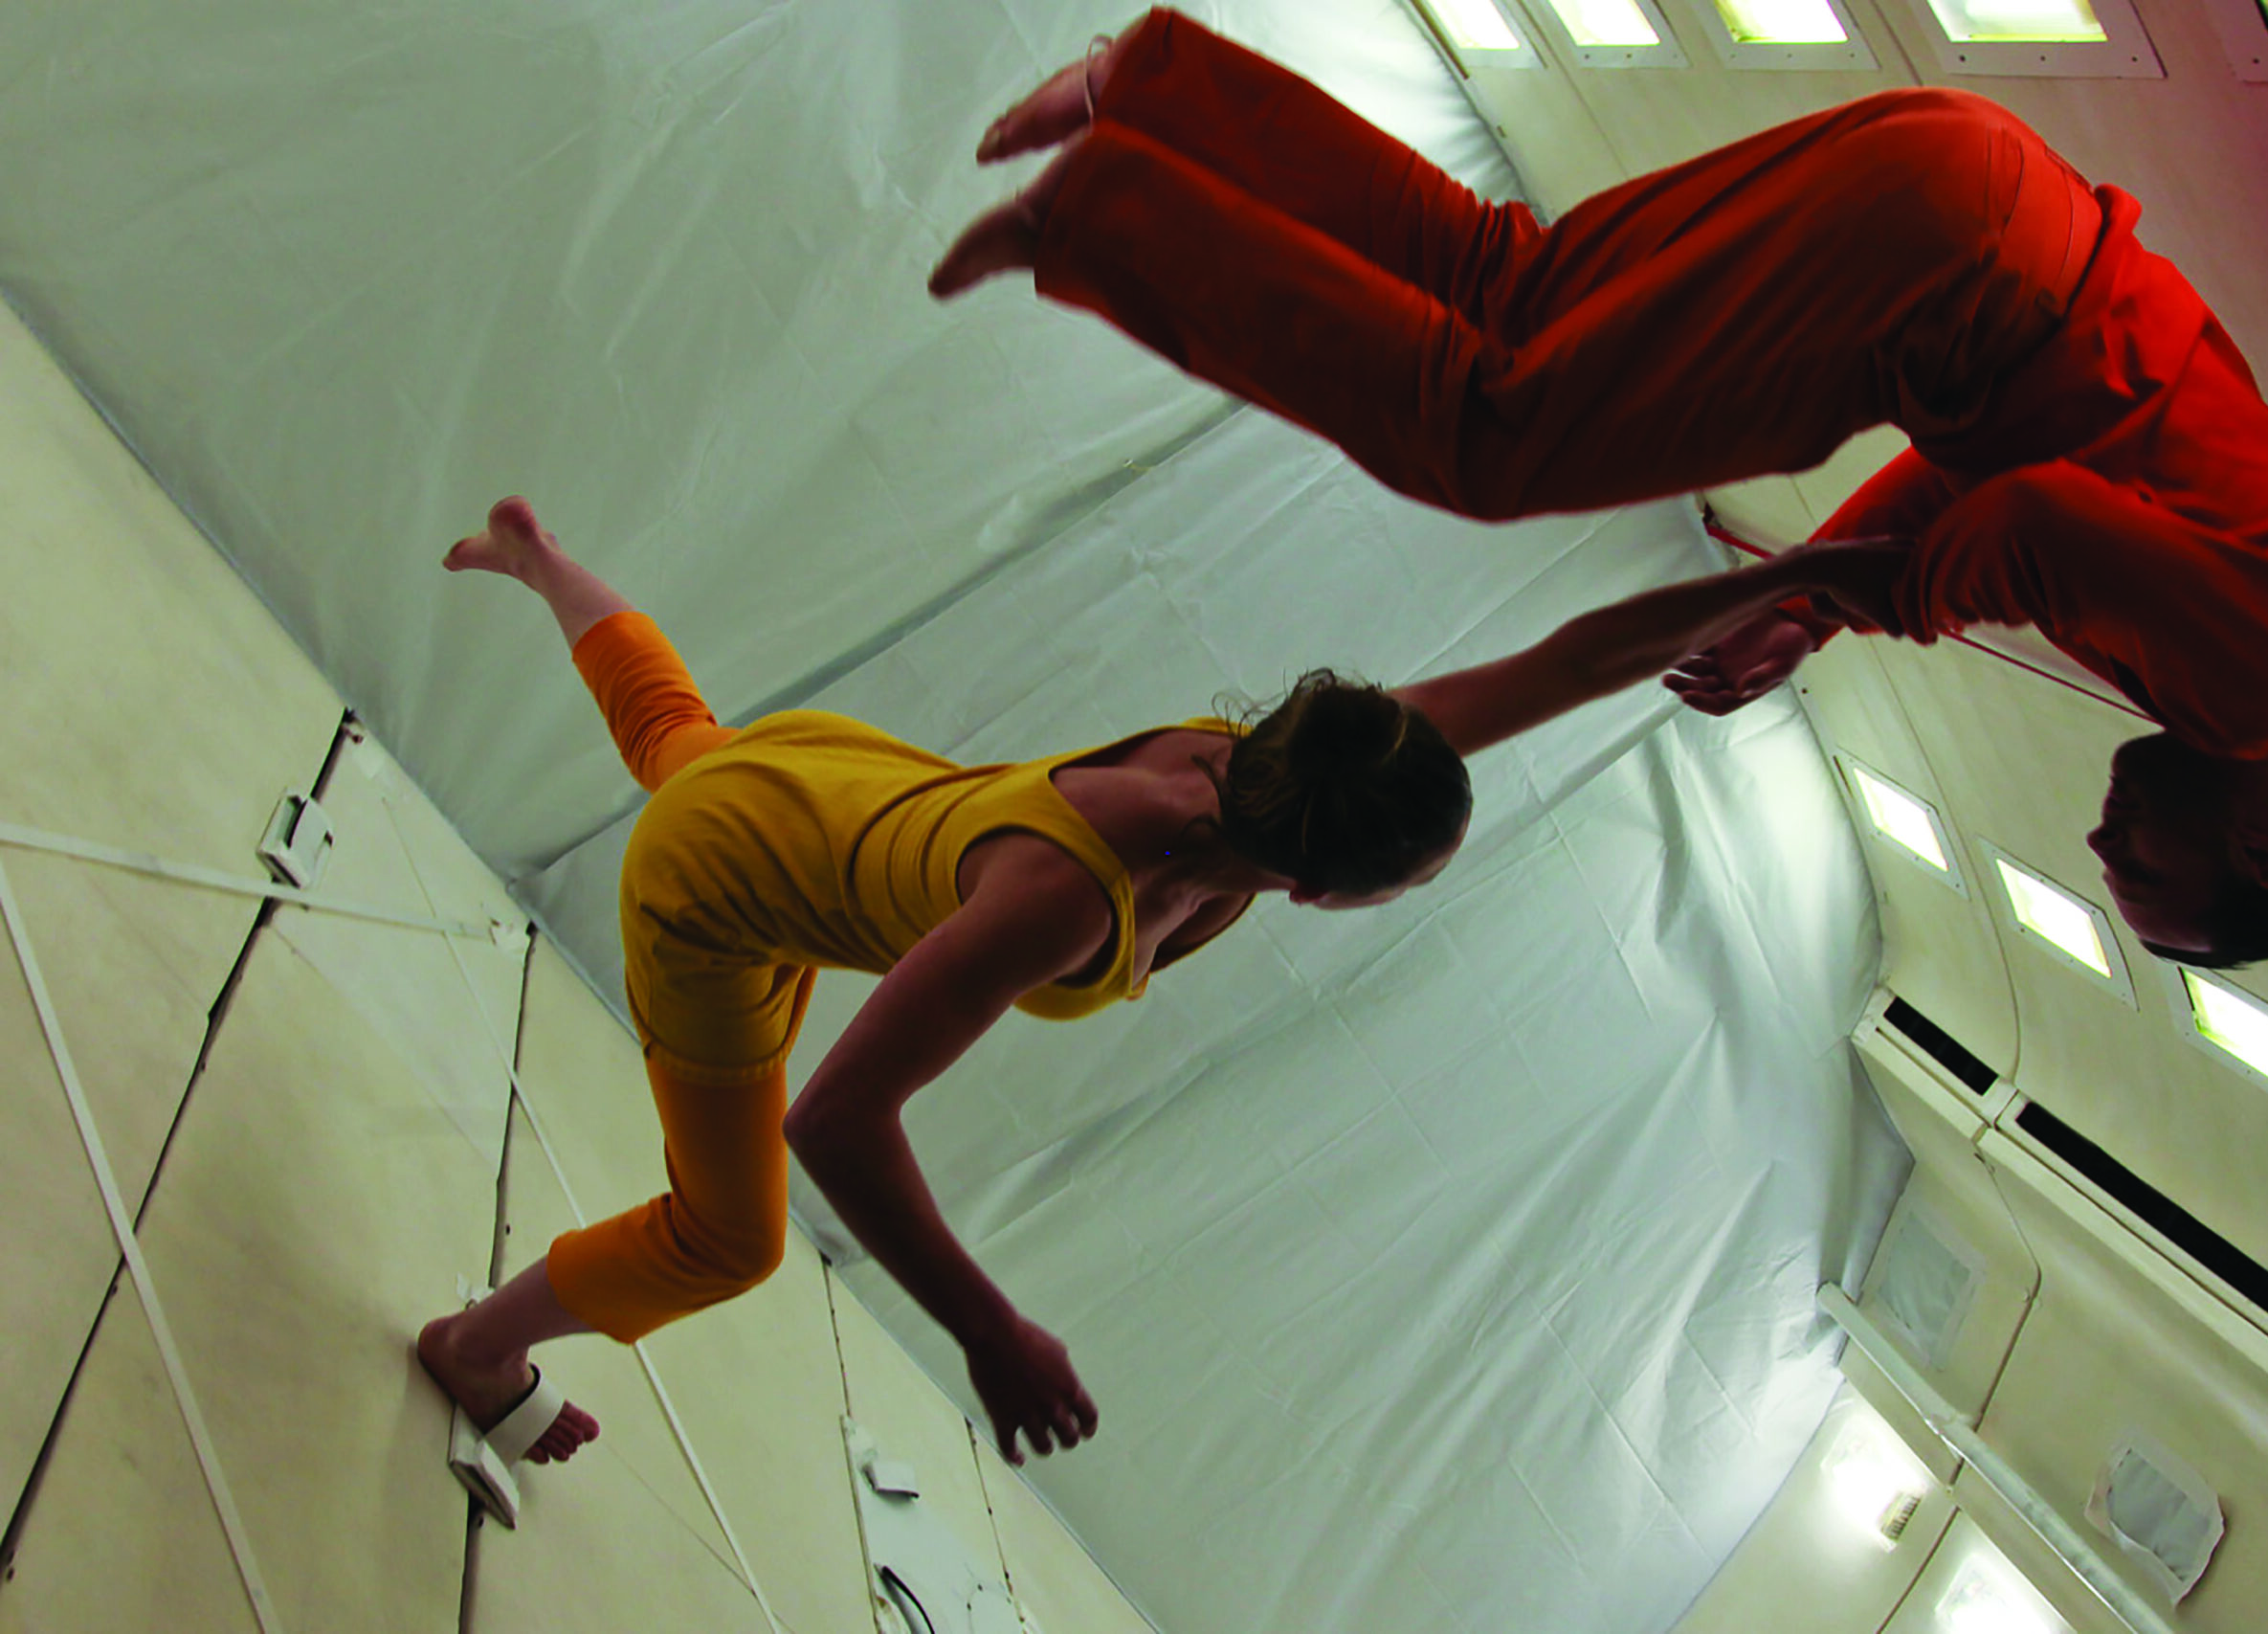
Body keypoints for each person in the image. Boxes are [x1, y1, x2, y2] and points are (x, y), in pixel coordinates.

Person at [415, 496, 1903, 1496]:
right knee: (726, 1235)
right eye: (1400, 888)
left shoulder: (1282, 766)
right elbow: (840, 1121)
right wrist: (990, 1329)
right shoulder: (1068, 897)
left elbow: (1571, 660)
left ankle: (538, 556)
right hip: (719, 889)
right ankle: (478, 1341)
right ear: (1322, 893)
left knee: (690, 739)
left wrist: (1798, 579)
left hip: (816, 785)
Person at [929, 10, 2268, 968]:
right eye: (2149, 875)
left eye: (2108, 871)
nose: (2107, 840)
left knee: (1511, 283)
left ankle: (1159, 84)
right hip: (1946, 281)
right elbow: (2032, 529)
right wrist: (1852, 595)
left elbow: (1998, 475)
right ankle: (1111, 218)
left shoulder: (2247, 661)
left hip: (1965, 191)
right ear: (2255, 848)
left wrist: (1812, 610)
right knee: (1495, 441)